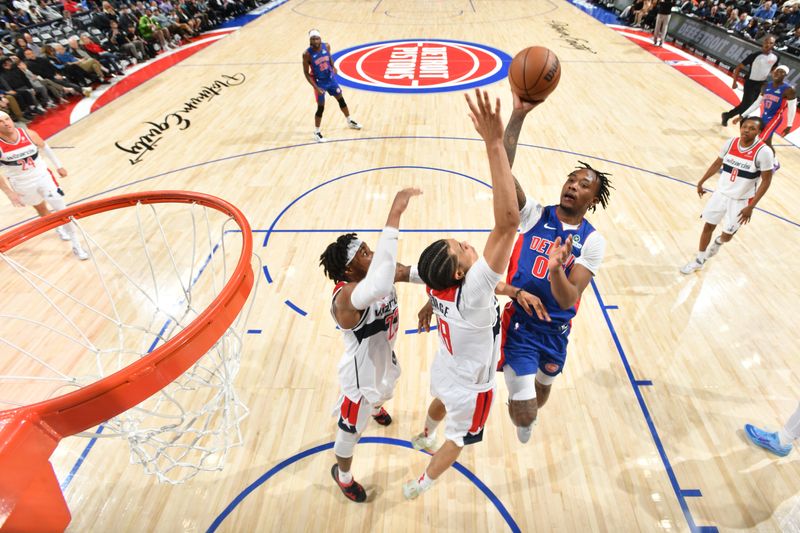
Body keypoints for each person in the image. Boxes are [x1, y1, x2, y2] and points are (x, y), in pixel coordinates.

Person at [403, 89, 519, 500]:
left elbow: (410, 274)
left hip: (447, 366)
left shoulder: (436, 282)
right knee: (459, 440)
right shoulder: (471, 291)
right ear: (458, 270)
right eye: (462, 249)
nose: (469, 245)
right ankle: (420, 483)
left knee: (439, 399)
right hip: (473, 383)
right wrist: (492, 143)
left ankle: (422, 433)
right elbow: (508, 223)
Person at [495, 90, 611, 444]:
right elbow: (503, 169)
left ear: (593, 200)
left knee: (543, 390)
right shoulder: (534, 216)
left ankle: (530, 403)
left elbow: (567, 299)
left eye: (583, 185)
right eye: (571, 180)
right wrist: (518, 115)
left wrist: (558, 269)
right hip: (522, 326)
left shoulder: (592, 242)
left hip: (556, 333)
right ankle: (523, 413)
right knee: (525, 411)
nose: (573, 186)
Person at [319, 188, 423, 503]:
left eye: (367, 247)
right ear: (350, 270)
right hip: (360, 376)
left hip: (383, 355)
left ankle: (378, 406)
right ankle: (344, 475)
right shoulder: (347, 298)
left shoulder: (378, 272)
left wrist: (443, 283)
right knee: (350, 429)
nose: (371, 253)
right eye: (364, 252)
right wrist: (394, 214)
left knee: (389, 387)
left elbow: (408, 272)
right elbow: (380, 282)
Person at [681, 116, 773, 274]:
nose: (747, 130)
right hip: (720, 194)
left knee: (727, 235)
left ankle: (718, 242)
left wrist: (751, 206)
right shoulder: (730, 143)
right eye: (745, 126)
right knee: (708, 225)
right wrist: (701, 181)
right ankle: (699, 260)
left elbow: (766, 181)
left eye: (752, 129)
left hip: (741, 201)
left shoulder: (764, 152)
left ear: (759, 132)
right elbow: (717, 163)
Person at [0, 112, 88, 260]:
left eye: (7, 119)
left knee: (62, 210)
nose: (6, 123)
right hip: (21, 183)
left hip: (43, 177)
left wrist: (59, 166)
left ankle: (77, 245)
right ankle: (58, 227)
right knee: (41, 208)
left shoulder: (28, 134)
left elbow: (45, 146)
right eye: (1, 121)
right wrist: (9, 193)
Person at [302, 29, 362, 143]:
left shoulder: (327, 46)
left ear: (320, 39)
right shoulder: (307, 54)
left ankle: (349, 121)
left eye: (317, 38)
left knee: (341, 100)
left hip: (330, 79)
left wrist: (333, 66)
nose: (315, 41)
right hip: (320, 83)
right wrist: (316, 87)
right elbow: (306, 73)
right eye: (313, 39)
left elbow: (329, 57)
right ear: (310, 40)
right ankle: (317, 132)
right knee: (321, 107)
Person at [732, 64, 796, 162]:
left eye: (782, 72)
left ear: (785, 75)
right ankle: (774, 162)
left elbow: (792, 108)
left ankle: (742, 161)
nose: (778, 73)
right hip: (764, 116)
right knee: (767, 142)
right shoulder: (766, 86)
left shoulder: (789, 89)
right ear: (773, 72)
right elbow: (757, 103)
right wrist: (742, 116)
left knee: (758, 140)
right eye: (777, 71)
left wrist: (789, 125)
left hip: (775, 117)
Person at [721, 35, 778, 126]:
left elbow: (773, 70)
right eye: (767, 42)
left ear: (774, 44)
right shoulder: (754, 56)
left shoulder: (776, 57)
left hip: (762, 84)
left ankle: (727, 115)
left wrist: (775, 77)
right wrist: (734, 82)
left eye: (771, 43)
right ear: (763, 42)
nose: (768, 44)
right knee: (746, 107)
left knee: (747, 105)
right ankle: (743, 131)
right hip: (750, 83)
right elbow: (738, 68)